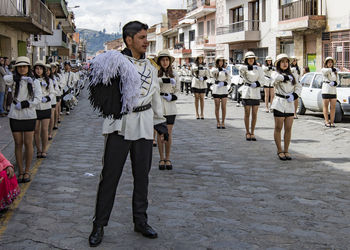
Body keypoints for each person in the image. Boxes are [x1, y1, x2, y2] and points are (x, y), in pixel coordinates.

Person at [88, 21, 168, 247]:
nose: (146, 41)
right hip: (120, 125)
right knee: (110, 177)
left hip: (143, 124)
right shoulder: (116, 62)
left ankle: (140, 221)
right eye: (141, 37)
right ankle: (99, 225)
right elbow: (97, 79)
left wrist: (160, 122)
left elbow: (154, 95)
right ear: (129, 39)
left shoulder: (152, 67)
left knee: (142, 177)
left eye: (147, 37)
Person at [4, 57, 42, 183]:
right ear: (16, 68)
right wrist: (18, 77)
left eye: (24, 66)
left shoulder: (34, 81)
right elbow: (5, 78)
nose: (22, 68)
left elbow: (38, 98)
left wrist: (26, 104)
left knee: (28, 143)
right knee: (18, 143)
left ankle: (27, 170)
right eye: (19, 66)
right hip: (15, 115)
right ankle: (20, 170)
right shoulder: (13, 80)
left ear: (28, 68)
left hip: (29, 115)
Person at [271, 54, 302, 161]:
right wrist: (285, 77)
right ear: (278, 63)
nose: (285, 63)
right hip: (279, 102)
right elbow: (275, 78)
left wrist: (294, 95)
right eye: (282, 61)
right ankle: (279, 150)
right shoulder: (275, 73)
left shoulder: (293, 73)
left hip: (289, 103)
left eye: (286, 61)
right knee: (278, 128)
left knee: (288, 128)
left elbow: (298, 86)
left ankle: (286, 150)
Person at [155, 50, 179, 170]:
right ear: (159, 61)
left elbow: (177, 89)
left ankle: (168, 157)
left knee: (168, 134)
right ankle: (161, 157)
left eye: (167, 60)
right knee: (160, 134)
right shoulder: (155, 74)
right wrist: (166, 80)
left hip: (170, 106)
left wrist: (172, 96)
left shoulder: (174, 74)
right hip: (159, 105)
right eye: (163, 60)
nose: (165, 62)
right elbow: (155, 85)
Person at [238, 51, 264, 141]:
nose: (251, 60)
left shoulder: (259, 69)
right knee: (247, 113)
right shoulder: (244, 68)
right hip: (247, 91)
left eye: (252, 58)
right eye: (249, 59)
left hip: (255, 91)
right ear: (246, 60)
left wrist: (257, 83)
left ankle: (252, 132)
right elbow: (240, 68)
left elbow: (262, 79)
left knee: (254, 114)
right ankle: (247, 132)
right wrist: (251, 67)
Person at [33, 62, 54, 159]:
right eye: (37, 68)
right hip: (36, 108)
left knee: (44, 130)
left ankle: (44, 149)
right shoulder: (32, 80)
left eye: (40, 69)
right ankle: (38, 149)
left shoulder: (49, 80)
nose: (39, 70)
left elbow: (52, 92)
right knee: (36, 130)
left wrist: (48, 98)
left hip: (46, 106)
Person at [211, 57, 231, 129]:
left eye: (222, 61)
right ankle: (218, 122)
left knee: (223, 107)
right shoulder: (214, 69)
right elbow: (212, 75)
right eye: (219, 61)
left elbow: (229, 79)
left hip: (224, 89)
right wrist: (219, 70)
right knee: (217, 106)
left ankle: (223, 122)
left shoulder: (226, 70)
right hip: (217, 88)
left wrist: (224, 83)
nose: (221, 63)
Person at [321, 57, 339, 128]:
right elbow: (326, 71)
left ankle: (332, 121)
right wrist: (333, 69)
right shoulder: (324, 69)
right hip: (326, 89)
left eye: (331, 62)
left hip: (333, 90)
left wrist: (335, 83)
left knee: (333, 107)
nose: (330, 63)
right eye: (328, 62)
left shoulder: (335, 71)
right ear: (326, 63)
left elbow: (338, 80)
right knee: (325, 106)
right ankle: (326, 121)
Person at [192, 55, 209, 119]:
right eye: (199, 59)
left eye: (201, 59)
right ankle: (197, 113)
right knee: (196, 98)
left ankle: (202, 113)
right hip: (196, 82)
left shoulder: (205, 66)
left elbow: (208, 75)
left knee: (202, 98)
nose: (200, 60)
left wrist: (204, 78)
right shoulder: (194, 65)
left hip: (203, 83)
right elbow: (193, 71)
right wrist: (198, 76)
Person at [47, 64, 59, 140]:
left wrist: (51, 95)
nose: (47, 72)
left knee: (51, 117)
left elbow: (57, 90)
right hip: (41, 103)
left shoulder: (54, 79)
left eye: (48, 70)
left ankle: (50, 133)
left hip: (52, 101)